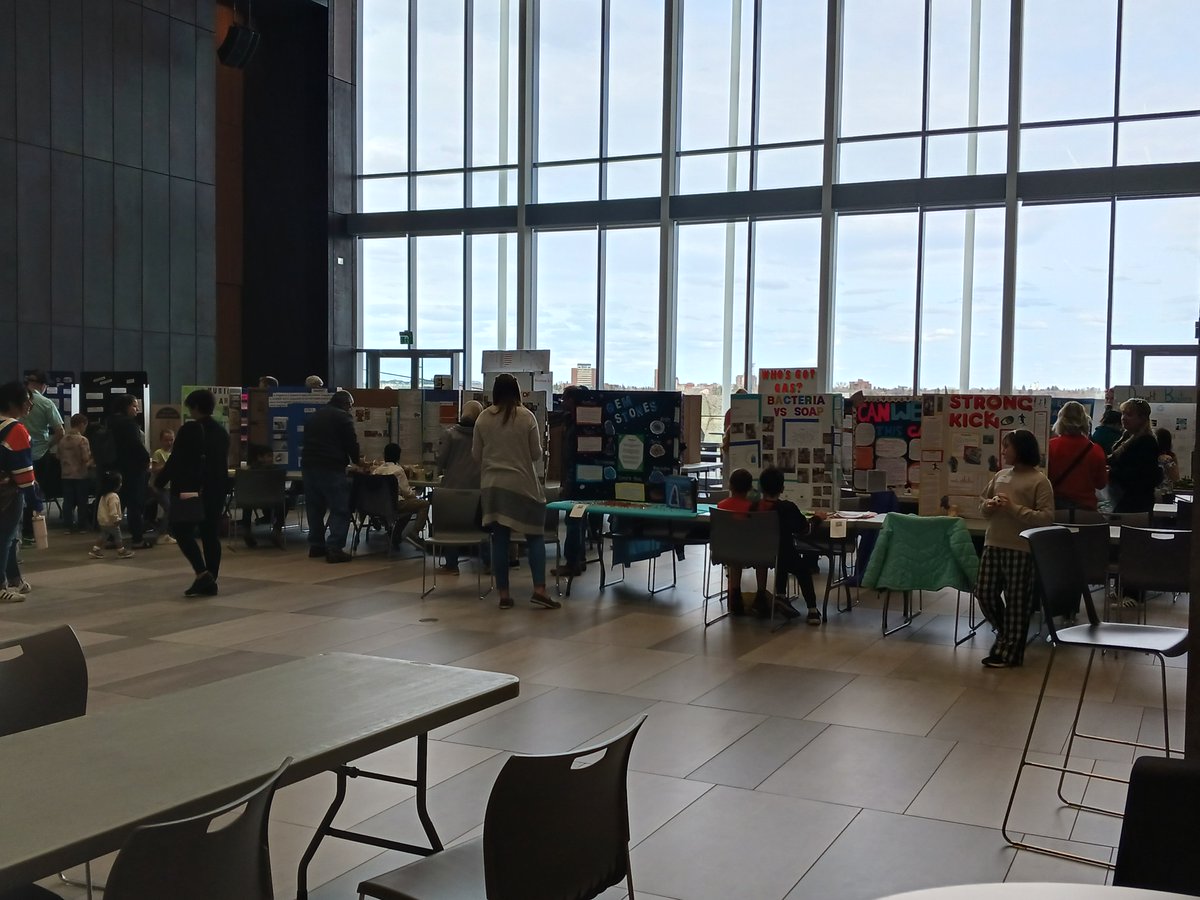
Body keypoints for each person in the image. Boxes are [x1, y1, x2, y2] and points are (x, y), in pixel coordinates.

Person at [473, 373, 555, 610]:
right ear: (517, 392)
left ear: (494, 393)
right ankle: (539, 590)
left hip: (493, 486)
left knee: (500, 540)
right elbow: (536, 454)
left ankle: (504, 596)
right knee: (535, 535)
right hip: (522, 485)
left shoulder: (482, 419)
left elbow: (476, 455)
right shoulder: (526, 417)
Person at [976, 429, 1054, 668]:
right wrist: (989, 505)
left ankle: (1010, 652)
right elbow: (982, 505)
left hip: (1021, 548)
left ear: (1020, 449)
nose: (1003, 451)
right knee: (985, 592)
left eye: (1007, 446)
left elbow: (1046, 518)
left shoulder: (1040, 480)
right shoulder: (1000, 475)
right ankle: (1007, 636)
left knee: (1017, 601)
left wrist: (1014, 509)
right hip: (993, 543)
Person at [157, 389, 230, 597]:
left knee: (181, 530)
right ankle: (210, 578)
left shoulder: (191, 430)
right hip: (215, 489)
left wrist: (160, 481)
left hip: (190, 490)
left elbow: (176, 459)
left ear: (196, 407)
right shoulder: (221, 432)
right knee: (210, 534)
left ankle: (202, 574)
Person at [757, 466, 825, 625]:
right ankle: (813, 610)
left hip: (760, 555)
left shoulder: (755, 507)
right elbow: (805, 530)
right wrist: (817, 518)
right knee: (802, 570)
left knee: (781, 563)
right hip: (784, 553)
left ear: (760, 487)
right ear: (782, 488)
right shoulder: (787, 508)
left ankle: (780, 596)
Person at [302, 390, 361, 563]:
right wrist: (357, 461)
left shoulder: (314, 416)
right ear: (345, 404)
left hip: (309, 465)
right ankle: (334, 548)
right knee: (340, 507)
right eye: (350, 406)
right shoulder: (343, 417)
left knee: (314, 507)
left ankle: (316, 545)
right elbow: (351, 442)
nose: (350, 409)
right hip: (330, 466)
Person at [0, 383, 44, 602]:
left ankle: (14, 578)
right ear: (12, 403)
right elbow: (24, 473)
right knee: (6, 537)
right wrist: (35, 501)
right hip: (9, 493)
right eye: (27, 399)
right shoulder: (16, 429)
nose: (30, 404)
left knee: (8, 538)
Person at [436, 400, 484, 575]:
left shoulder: (450, 434)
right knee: (482, 524)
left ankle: (451, 564)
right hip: (478, 486)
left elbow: (441, 460)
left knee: (451, 525)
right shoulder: (483, 435)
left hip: (453, 486)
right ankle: (487, 563)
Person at [716, 468, 770, 617]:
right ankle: (760, 596)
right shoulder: (757, 507)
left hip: (727, 551)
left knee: (735, 557)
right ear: (749, 487)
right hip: (753, 552)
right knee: (761, 558)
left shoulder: (721, 506)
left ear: (730, 486)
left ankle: (735, 595)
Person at [550, 386, 591, 578]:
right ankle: (578, 559)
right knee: (578, 521)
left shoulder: (579, 427)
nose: (563, 403)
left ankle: (572, 562)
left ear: (573, 401)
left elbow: (574, 458)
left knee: (573, 521)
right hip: (576, 478)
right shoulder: (574, 423)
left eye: (565, 399)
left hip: (575, 482)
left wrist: (568, 483)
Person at [19, 371, 63, 544]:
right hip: (38, 454)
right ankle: (30, 533)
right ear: (43, 385)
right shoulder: (46, 403)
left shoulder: (15, 401)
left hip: (15, 453)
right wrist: (47, 445)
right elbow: (60, 431)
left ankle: (14, 530)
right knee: (34, 492)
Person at [109, 393, 153, 548]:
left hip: (116, 468)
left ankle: (111, 537)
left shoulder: (110, 422)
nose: (137, 409)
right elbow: (136, 445)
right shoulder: (129, 424)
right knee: (135, 503)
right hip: (133, 468)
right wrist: (147, 459)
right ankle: (137, 538)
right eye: (134, 406)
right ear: (126, 407)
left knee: (118, 504)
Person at [1047, 401, 1107, 512]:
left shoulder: (1050, 447)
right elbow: (1101, 483)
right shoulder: (1095, 449)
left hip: (1056, 507)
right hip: (1085, 508)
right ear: (1085, 421)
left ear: (1060, 421)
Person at [1107, 398, 1161, 514]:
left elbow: (1139, 474)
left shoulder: (1146, 442)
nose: (1123, 418)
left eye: (1129, 415)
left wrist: (1111, 472)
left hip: (1135, 502)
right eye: (1123, 414)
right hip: (1123, 498)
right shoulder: (1127, 437)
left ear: (1142, 419)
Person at [371, 443, 430, 549]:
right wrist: (415, 494)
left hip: (378, 506)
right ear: (398, 456)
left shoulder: (376, 471)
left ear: (384, 455)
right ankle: (414, 533)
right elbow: (407, 493)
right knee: (423, 504)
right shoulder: (398, 470)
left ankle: (395, 535)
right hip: (395, 504)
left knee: (408, 509)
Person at [241, 443, 286, 549]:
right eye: (269, 456)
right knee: (285, 502)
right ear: (259, 457)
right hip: (272, 500)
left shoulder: (249, 471)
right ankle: (277, 529)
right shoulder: (276, 470)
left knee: (247, 502)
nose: (271, 458)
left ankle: (246, 529)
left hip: (252, 500)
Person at [58, 413, 93, 533]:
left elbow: (58, 456)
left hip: (66, 474)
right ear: (82, 424)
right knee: (82, 501)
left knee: (68, 501)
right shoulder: (82, 440)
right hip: (80, 474)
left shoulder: (62, 440)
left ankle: (68, 526)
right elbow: (85, 458)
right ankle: (82, 526)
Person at [90, 471, 135, 560]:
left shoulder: (104, 495)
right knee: (118, 536)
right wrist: (116, 519)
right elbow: (113, 510)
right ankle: (121, 550)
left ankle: (95, 549)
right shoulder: (113, 496)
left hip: (103, 521)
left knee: (103, 535)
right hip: (111, 522)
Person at [1155, 427, 1180, 497]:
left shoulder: (1149, 456)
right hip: (1165, 493)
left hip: (1151, 492)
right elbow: (1175, 477)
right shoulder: (1168, 459)